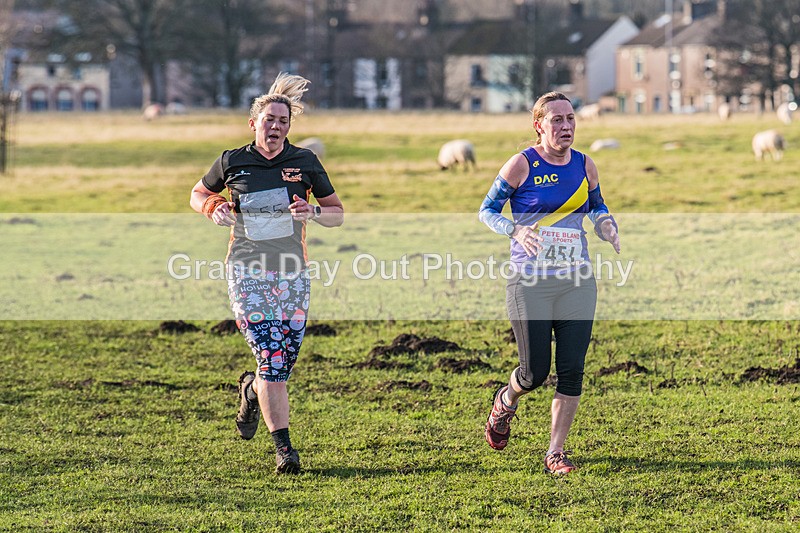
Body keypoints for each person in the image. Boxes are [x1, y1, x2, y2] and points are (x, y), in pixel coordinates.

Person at [190, 73, 344, 474]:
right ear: (253, 123)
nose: (276, 126)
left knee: (281, 361)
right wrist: (214, 208)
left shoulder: (305, 162)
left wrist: (312, 211)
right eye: (269, 119)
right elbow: (198, 193)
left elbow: (337, 213)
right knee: (272, 358)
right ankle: (285, 451)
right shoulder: (232, 161)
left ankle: (250, 390)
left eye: (283, 121)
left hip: (293, 272)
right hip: (246, 270)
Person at [478, 92, 620, 475]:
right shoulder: (521, 164)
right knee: (534, 373)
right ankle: (505, 402)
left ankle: (555, 452)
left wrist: (606, 224)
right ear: (539, 125)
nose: (566, 126)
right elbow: (486, 210)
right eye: (556, 120)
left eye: (571, 118)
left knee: (572, 369)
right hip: (529, 282)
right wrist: (515, 230)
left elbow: (598, 206)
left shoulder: (586, 164)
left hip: (577, 280)